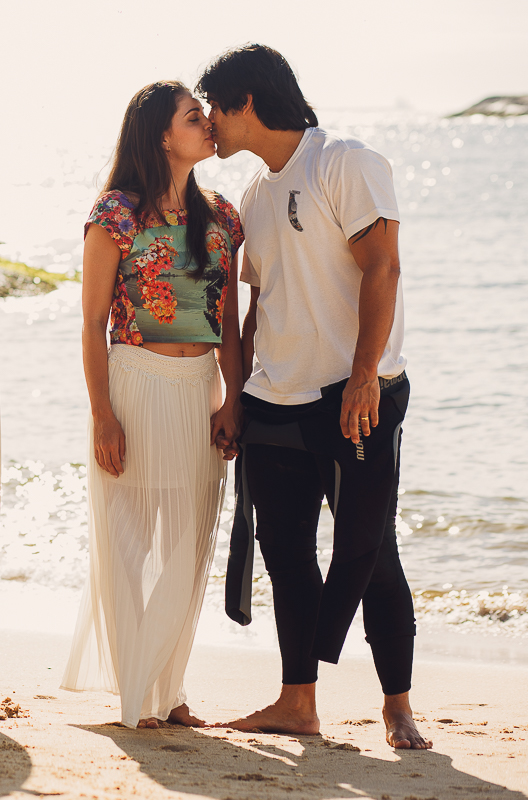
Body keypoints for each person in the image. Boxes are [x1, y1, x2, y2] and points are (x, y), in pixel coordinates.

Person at [196, 43, 432, 750]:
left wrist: (365, 373)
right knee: (286, 552)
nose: (210, 123)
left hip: (355, 395)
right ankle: (298, 702)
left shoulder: (343, 161)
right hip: (275, 398)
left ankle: (398, 706)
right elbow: (259, 303)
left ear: (245, 103)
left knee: (373, 551)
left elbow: (382, 267)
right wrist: (235, 396)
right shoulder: (254, 195)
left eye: (215, 107)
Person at [61, 81, 245, 729]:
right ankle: (139, 695)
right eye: (195, 118)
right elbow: (90, 325)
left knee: (189, 546)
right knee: (127, 542)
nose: (209, 125)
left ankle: (171, 691)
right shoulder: (115, 213)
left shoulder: (223, 216)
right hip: (133, 385)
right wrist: (103, 415)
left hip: (200, 393)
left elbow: (226, 320)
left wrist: (233, 398)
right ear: (164, 135)